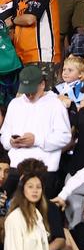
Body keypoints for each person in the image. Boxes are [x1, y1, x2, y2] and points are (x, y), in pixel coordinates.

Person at [0, 65, 71, 198]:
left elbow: (65, 137)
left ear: (42, 84)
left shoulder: (56, 104)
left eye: (32, 90)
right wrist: (11, 142)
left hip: (45, 170)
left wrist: (37, 140)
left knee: (41, 215)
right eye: (26, 91)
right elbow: (4, 135)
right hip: (16, 168)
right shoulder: (15, 104)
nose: (29, 95)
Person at [5, 0, 61, 83]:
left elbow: (30, 19)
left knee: (42, 100)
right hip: (23, 57)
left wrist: (12, 20)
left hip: (42, 56)